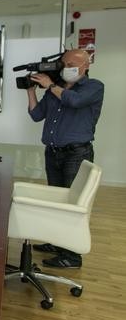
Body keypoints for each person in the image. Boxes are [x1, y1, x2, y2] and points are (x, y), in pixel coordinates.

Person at [27, 49, 104, 268]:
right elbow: (36, 115)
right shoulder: (55, 89)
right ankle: (56, 242)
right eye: (64, 62)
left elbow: (74, 101)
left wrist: (50, 85)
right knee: (57, 201)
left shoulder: (94, 87)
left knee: (72, 204)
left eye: (72, 63)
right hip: (53, 152)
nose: (66, 66)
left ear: (85, 66)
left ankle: (71, 255)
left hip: (76, 153)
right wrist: (31, 90)